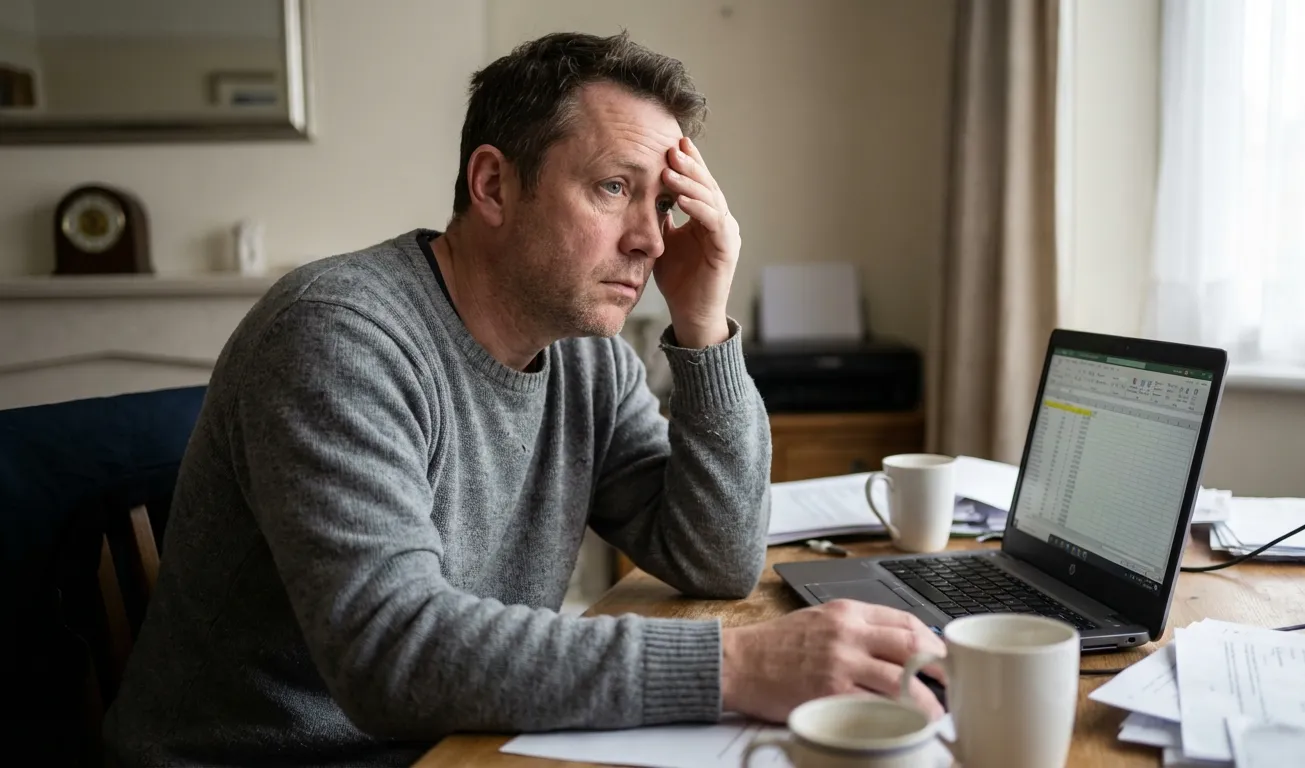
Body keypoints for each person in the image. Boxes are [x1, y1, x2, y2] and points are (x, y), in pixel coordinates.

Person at [104, 31, 946, 767]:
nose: (652, 239)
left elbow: (717, 556)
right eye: (616, 188)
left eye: (663, 202)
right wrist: (743, 667)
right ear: (494, 186)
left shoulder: (587, 358)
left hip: (464, 741)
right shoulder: (336, 336)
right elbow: (392, 653)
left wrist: (702, 323)